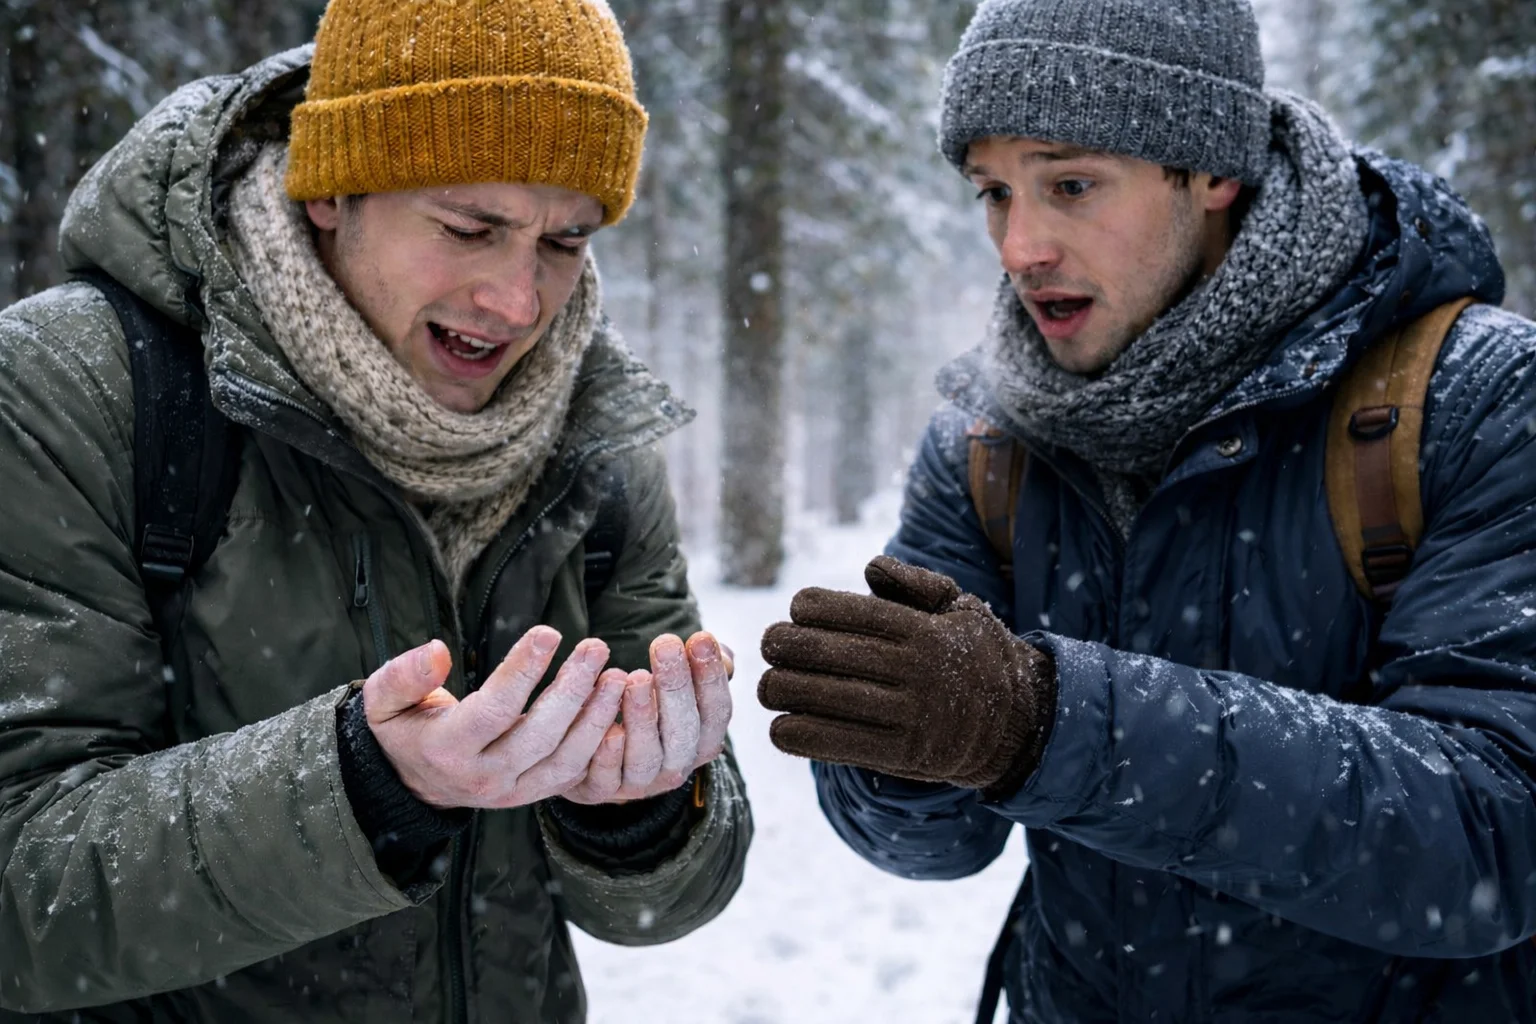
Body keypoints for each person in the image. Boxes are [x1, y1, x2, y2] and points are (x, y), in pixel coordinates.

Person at [759, 0, 1536, 1018]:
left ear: (1212, 173)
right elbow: (930, 846)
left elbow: (1492, 833)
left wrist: (1040, 719)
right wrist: (895, 746)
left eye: (1071, 184)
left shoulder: (1479, 399)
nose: (1019, 244)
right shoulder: (985, 442)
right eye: (993, 192)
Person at [0, 0, 751, 1020]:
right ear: (333, 190)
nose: (519, 302)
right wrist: (358, 785)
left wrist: (643, 814)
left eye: (565, 241)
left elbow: (668, 902)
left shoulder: (593, 436)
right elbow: (20, 878)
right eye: (470, 227)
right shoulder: (75, 391)